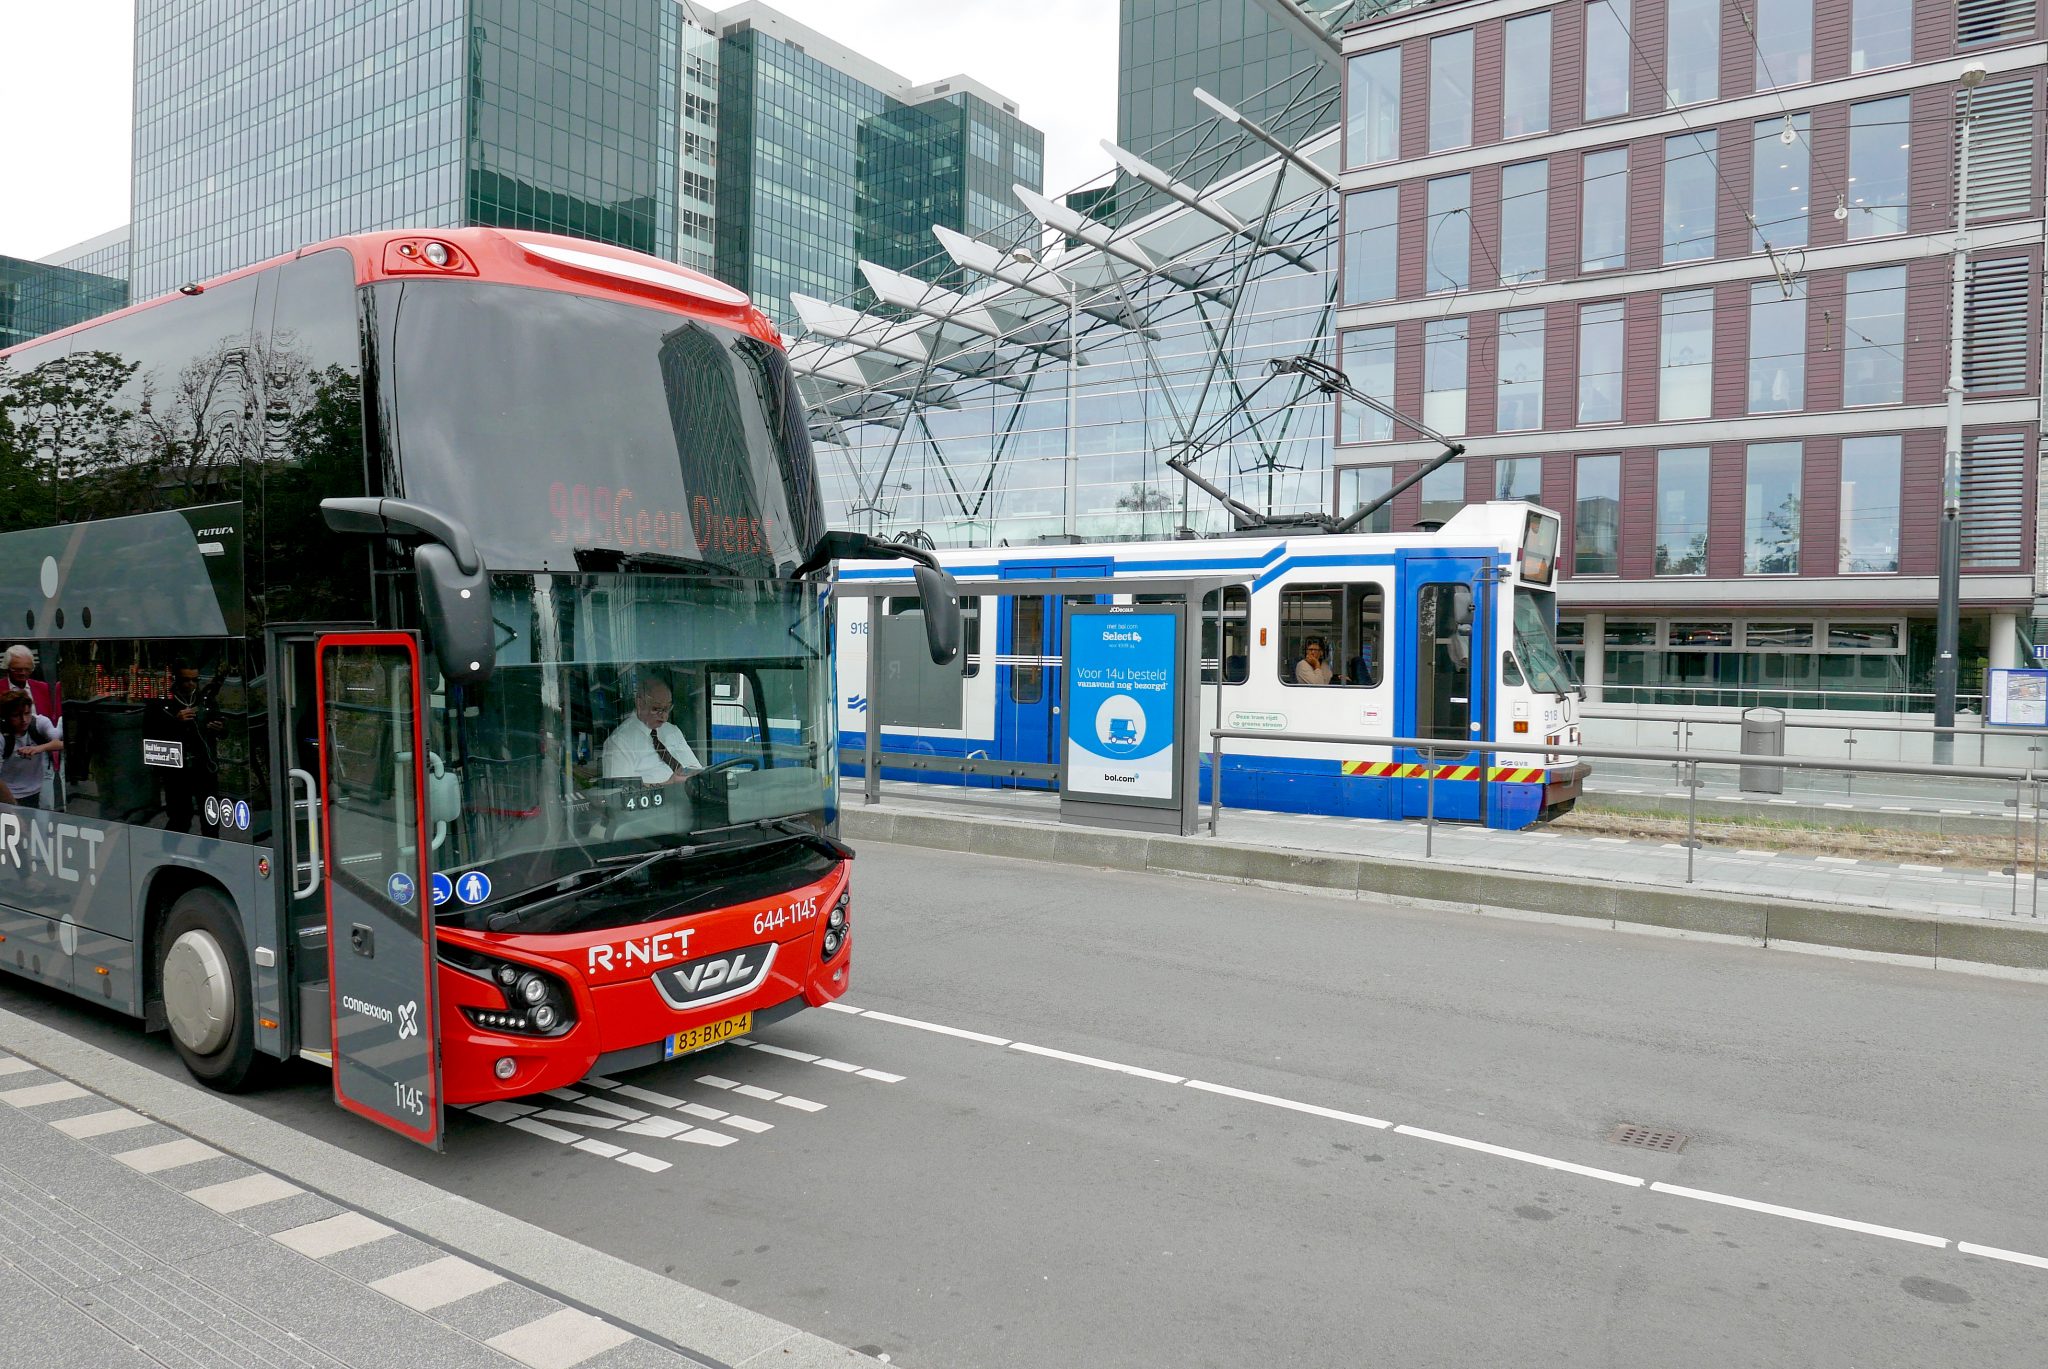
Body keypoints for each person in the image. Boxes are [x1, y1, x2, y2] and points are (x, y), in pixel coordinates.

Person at [146, 661, 223, 832]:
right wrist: (175, 722)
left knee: (210, 815)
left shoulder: (205, 700)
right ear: (176, 679)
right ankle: (171, 851)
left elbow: (223, 727)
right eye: (186, 680)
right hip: (177, 771)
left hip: (204, 766)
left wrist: (219, 728)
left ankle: (211, 849)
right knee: (180, 816)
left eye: (195, 680)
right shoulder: (160, 703)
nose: (191, 684)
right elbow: (150, 736)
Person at [602, 673, 702, 785]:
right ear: (640, 704)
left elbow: (696, 769)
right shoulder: (619, 743)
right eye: (657, 709)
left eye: (667, 708)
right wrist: (670, 784)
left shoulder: (672, 731)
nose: (664, 716)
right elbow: (620, 791)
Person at [0, 691, 61, 809]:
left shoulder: (38, 723)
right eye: (16, 715)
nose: (24, 720)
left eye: (27, 713)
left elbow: (60, 742)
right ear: (6, 716)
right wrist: (13, 809)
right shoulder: (2, 736)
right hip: (9, 793)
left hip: (37, 789)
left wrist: (39, 748)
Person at [5, 645, 59, 725]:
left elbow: (53, 719)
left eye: (27, 669)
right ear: (7, 668)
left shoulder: (43, 688)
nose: (23, 673)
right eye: (17, 669)